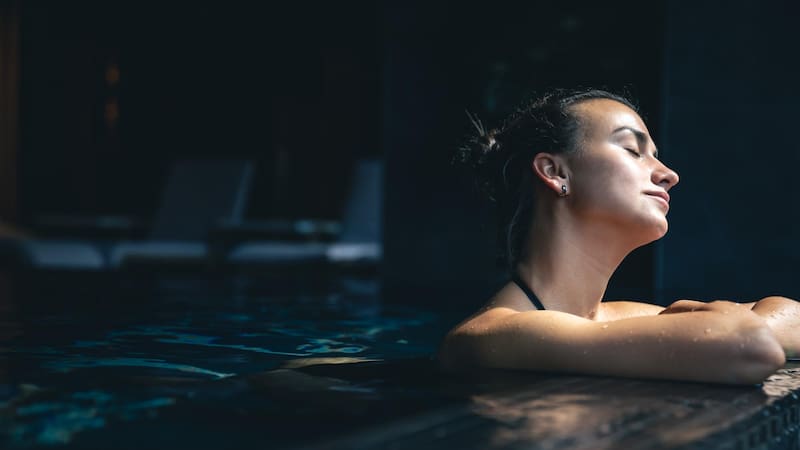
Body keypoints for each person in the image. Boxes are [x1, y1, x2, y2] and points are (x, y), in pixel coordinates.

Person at [439, 88, 800, 385]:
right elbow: (752, 346)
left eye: (655, 156)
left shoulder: (615, 318)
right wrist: (698, 317)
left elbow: (792, 318)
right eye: (632, 150)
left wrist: (706, 321)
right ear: (554, 172)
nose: (668, 174)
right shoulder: (493, 335)